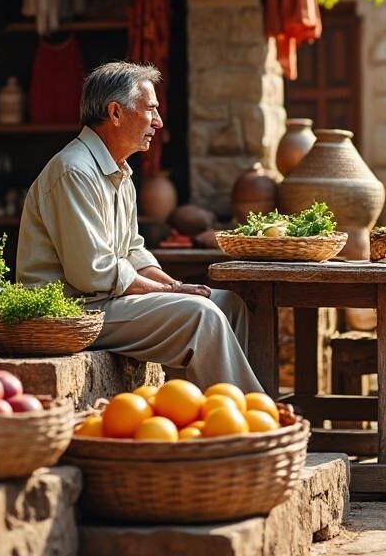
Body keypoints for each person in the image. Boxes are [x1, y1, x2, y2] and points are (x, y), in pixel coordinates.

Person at [17, 61, 262, 391]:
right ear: (115, 113)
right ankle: (250, 420)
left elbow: (132, 249)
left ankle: (215, 412)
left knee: (228, 304)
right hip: (73, 312)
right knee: (201, 315)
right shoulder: (74, 171)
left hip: (103, 301)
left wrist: (173, 284)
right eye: (150, 110)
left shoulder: (120, 173)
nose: (158, 122)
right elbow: (92, 274)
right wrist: (170, 292)